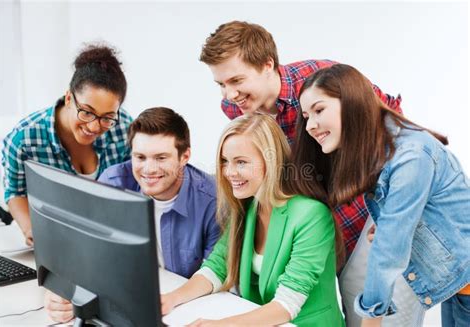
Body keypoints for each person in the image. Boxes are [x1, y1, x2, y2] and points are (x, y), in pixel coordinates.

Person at [200, 20, 410, 327]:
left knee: (365, 315)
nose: (229, 94)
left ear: (267, 64)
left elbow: (394, 121)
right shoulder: (236, 109)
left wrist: (394, 206)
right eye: (221, 84)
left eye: (236, 80)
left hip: (359, 220)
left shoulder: (321, 83)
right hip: (305, 228)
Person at [294, 63, 470, 327]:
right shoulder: (382, 151)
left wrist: (371, 316)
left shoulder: (410, 155)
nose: (310, 125)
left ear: (352, 103)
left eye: (319, 110)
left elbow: (390, 248)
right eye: (307, 116)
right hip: (459, 286)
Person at [161, 113, 345, 326]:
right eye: (224, 161)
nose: (229, 172)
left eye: (241, 162)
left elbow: (287, 304)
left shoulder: (311, 215)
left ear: (272, 162)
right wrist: (171, 299)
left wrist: (221, 325)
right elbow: (217, 267)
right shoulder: (249, 207)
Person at [44, 107, 221, 323]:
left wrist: (171, 299)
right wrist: (64, 291)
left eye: (161, 157)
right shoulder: (113, 184)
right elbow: (85, 251)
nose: (149, 169)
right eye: (140, 157)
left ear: (185, 156)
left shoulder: (212, 199)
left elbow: (217, 271)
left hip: (188, 307)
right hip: (128, 299)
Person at [1, 43, 133, 246]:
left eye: (107, 117)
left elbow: (132, 188)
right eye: (87, 112)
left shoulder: (123, 128)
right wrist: (30, 229)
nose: (94, 126)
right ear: (69, 97)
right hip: (56, 241)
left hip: (107, 240)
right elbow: (15, 192)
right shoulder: (23, 139)